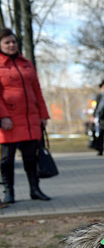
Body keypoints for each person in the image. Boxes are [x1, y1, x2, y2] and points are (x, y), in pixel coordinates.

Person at [0, 28, 51, 203]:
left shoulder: (26, 63)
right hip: (9, 121)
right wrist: (3, 116)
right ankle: (9, 192)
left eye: (13, 41)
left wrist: (43, 115)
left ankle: (35, 190)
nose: (11, 45)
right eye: (7, 42)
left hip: (31, 120)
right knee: (7, 159)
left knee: (31, 157)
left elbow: (37, 91)